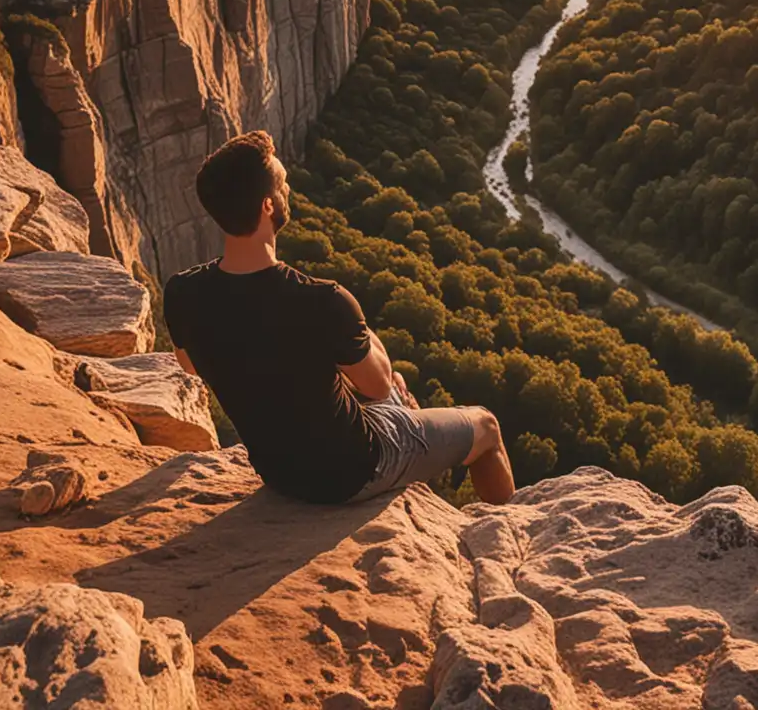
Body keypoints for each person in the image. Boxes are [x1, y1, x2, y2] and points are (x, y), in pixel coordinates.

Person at [163, 130, 514, 506]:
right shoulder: (321, 300)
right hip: (353, 472)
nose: (287, 188)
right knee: (485, 425)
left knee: (394, 388)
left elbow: (194, 367)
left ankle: (410, 435)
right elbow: (376, 386)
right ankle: (506, 528)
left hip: (278, 472)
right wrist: (362, 329)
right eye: (282, 182)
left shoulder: (182, 292)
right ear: (267, 206)